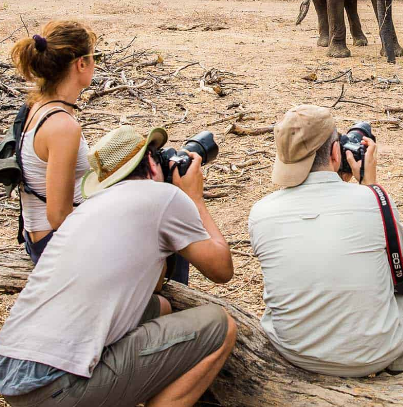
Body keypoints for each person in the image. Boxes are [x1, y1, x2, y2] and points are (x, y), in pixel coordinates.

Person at [0, 125, 237, 407]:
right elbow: (222, 270)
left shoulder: (87, 210)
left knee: (159, 307)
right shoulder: (163, 198)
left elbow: (154, 284)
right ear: (150, 161)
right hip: (58, 389)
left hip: (13, 373)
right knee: (220, 326)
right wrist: (194, 199)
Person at [248, 105, 403, 377]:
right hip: (374, 354)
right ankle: (402, 365)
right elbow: (402, 256)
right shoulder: (374, 201)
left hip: (293, 352)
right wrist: (370, 186)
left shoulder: (260, 213)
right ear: (336, 152)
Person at [10, 21, 97, 262]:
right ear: (81, 64)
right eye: (94, 57)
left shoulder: (35, 105)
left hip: (37, 237)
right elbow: (59, 216)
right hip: (55, 248)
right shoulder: (62, 125)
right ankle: (153, 298)